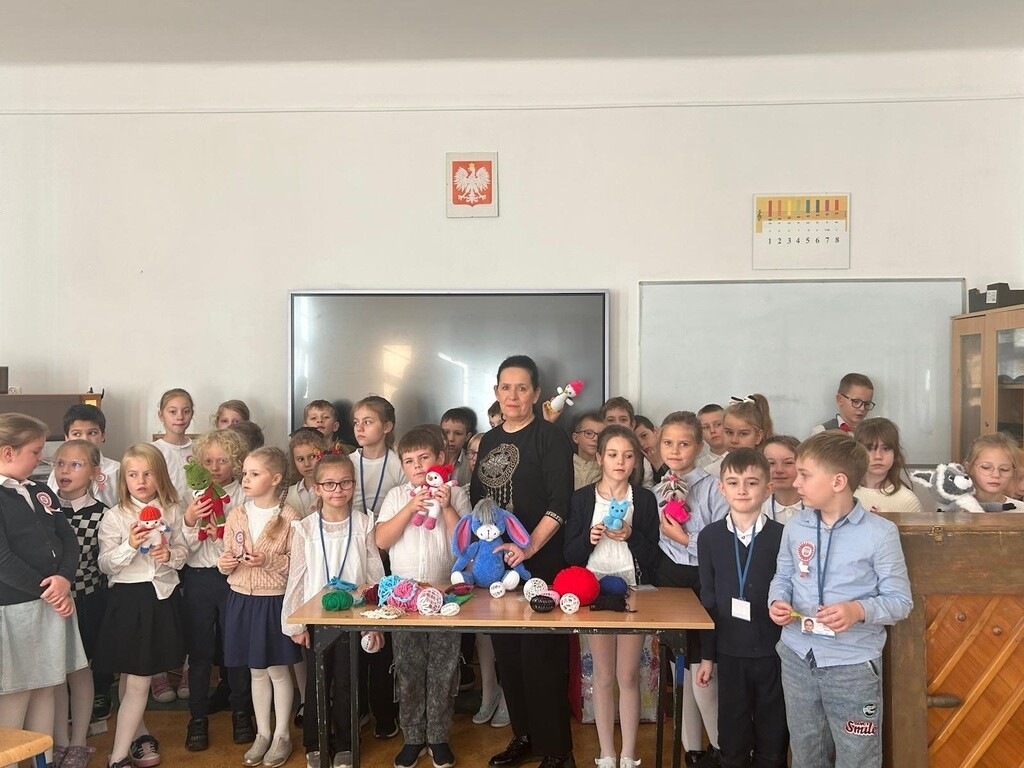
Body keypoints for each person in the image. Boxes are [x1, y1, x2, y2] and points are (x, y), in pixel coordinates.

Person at [769, 431, 913, 768]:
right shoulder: (795, 526)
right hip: (797, 656)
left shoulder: (880, 533)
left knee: (857, 757)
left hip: (852, 666)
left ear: (838, 482)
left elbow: (900, 601)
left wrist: (857, 610)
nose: (796, 481)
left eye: (805, 474)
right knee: (806, 754)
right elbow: (783, 576)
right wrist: (776, 601)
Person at [471, 355, 575, 768]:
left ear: (535, 393)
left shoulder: (550, 437)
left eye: (521, 388)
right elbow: (480, 503)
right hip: (499, 566)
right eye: (505, 387)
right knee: (509, 656)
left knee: (540, 660)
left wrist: (529, 547)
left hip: (540, 565)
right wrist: (483, 551)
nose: (512, 395)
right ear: (496, 392)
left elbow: (560, 501)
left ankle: (557, 751)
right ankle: (525, 736)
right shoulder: (489, 441)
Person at [563, 426, 660, 768]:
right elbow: (570, 555)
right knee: (603, 676)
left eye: (628, 455)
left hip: (633, 592)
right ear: (600, 458)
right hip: (594, 591)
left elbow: (653, 557)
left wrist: (631, 534)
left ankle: (629, 754)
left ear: (636, 461)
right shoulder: (581, 499)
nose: (621, 461)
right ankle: (606, 753)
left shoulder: (644, 499)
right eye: (614, 454)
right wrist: (588, 538)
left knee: (628, 675)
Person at [375, 425, 472, 768]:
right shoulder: (396, 496)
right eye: (409, 460)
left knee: (444, 667)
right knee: (408, 667)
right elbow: (381, 541)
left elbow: (465, 547)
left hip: (446, 596)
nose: (417, 466)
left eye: (424, 458)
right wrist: (409, 507)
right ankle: (413, 736)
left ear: (441, 459)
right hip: (403, 597)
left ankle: (439, 736)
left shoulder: (456, 494)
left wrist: (446, 508)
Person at [282, 453, 385, 768]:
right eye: (329, 484)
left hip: (353, 617)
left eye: (345, 483)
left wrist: (374, 620)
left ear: (353, 485)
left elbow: (374, 575)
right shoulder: (305, 528)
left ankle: (345, 743)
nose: (337, 490)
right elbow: (297, 577)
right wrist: (295, 624)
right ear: (316, 488)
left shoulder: (364, 523)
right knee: (317, 681)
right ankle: (315, 743)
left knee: (347, 682)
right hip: (316, 619)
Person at [0, 414, 86, 768]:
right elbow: (3, 559)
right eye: (35, 452)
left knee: (46, 686)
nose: (42, 459)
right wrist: (50, 592)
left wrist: (64, 578)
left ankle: (42, 761)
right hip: (16, 608)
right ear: (7, 452)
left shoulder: (41, 490)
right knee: (17, 693)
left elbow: (67, 539)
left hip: (52, 602)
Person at [95, 443, 186, 768]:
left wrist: (169, 555)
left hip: (162, 599)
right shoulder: (115, 516)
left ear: (160, 475)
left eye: (148, 474)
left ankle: (138, 736)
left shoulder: (173, 510)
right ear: (124, 479)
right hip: (128, 601)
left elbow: (182, 553)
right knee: (137, 678)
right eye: (133, 475)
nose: (141, 481)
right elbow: (106, 564)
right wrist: (129, 545)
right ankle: (118, 756)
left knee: (136, 676)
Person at [696, 449, 787, 768]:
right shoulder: (709, 537)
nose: (742, 490)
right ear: (722, 488)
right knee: (732, 737)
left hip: (774, 651)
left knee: (773, 737)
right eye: (733, 483)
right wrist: (708, 655)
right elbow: (708, 598)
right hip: (730, 652)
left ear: (768, 488)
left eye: (752, 482)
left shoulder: (783, 536)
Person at [651, 411, 727, 765]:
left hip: (704, 581)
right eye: (668, 443)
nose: (675, 450)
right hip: (669, 579)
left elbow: (722, 543)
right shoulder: (655, 491)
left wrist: (683, 538)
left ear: (698, 446)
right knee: (677, 666)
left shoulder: (714, 488)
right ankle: (692, 751)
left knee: (703, 670)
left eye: (684, 443)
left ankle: (723, 750)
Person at [219, 447, 300, 768]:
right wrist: (225, 563)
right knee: (255, 670)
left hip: (273, 600)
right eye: (245, 473)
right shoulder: (237, 513)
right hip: (241, 597)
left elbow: (298, 563)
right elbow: (227, 553)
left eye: (255, 474)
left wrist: (268, 559)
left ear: (276, 479)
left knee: (277, 670)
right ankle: (262, 733)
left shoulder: (290, 517)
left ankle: (282, 734)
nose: (246, 479)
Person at [180, 428, 252, 751]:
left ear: (236, 461)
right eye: (208, 461)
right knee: (200, 652)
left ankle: (241, 712)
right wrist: (189, 520)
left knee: (235, 649)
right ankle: (197, 717)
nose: (215, 467)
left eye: (222, 460)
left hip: (234, 578)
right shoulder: (191, 495)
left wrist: (222, 535)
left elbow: (248, 540)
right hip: (198, 577)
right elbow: (182, 548)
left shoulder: (244, 494)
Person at [51, 439, 110, 768]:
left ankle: (78, 742)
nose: (65, 471)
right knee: (56, 671)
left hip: (87, 601)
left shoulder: (102, 514)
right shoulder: (45, 509)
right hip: (51, 603)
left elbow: (104, 564)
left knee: (80, 668)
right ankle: (60, 739)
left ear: (94, 473)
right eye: (60, 463)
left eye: (75, 465)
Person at [348, 395, 402, 739]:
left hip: (388, 552)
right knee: (355, 632)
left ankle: (385, 710)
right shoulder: (347, 462)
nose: (360, 428)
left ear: (387, 426)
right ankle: (359, 707)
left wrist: (382, 546)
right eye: (356, 422)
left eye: (368, 422)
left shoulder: (397, 463)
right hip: (354, 551)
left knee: (384, 633)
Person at [45, 403, 121, 509]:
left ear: (103, 435)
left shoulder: (117, 470)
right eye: (76, 434)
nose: (85, 439)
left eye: (92, 433)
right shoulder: (59, 472)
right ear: (67, 437)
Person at [852, 419, 923, 514]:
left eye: (886, 449)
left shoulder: (907, 500)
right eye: (869, 449)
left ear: (895, 454)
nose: (878, 456)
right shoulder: (845, 494)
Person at [706, 396, 774, 478]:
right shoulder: (711, 473)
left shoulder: (771, 471)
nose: (734, 440)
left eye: (743, 434)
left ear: (758, 437)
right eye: (729, 432)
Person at [962, 433, 1024, 512]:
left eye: (1004, 469)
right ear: (969, 468)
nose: (996, 475)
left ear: (1013, 472)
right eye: (986, 467)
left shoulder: (1021, 510)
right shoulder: (954, 508)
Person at [601, 397, 654, 487]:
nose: (617, 424)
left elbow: (648, 488)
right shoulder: (595, 453)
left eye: (623, 420)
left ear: (632, 425)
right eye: (611, 420)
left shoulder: (642, 460)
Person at [810, 373, 875, 435]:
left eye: (867, 403)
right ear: (840, 399)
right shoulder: (821, 432)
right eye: (856, 401)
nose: (862, 408)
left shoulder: (874, 431)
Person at [286, 429, 330, 520]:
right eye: (300, 459)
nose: (307, 464)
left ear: (324, 455)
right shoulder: (287, 495)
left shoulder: (334, 490)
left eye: (312, 456)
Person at [761, 436, 804, 524]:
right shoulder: (758, 510)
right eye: (771, 463)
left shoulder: (818, 508)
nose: (779, 470)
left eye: (788, 463)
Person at [440, 407, 477, 488]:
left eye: (458, 433)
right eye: (446, 432)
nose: (451, 438)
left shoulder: (471, 462)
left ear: (467, 437)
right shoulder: (430, 457)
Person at [571, 412, 604, 490]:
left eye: (600, 435)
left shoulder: (606, 468)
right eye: (589, 433)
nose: (595, 439)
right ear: (575, 438)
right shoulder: (565, 465)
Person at [633, 416, 665, 483]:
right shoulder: (639, 464)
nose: (641, 444)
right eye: (636, 441)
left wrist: (658, 464)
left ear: (656, 431)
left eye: (644, 435)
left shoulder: (672, 453)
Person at [697, 405, 727, 470]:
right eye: (706, 427)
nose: (712, 431)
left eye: (717, 425)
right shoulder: (698, 467)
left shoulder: (743, 457)